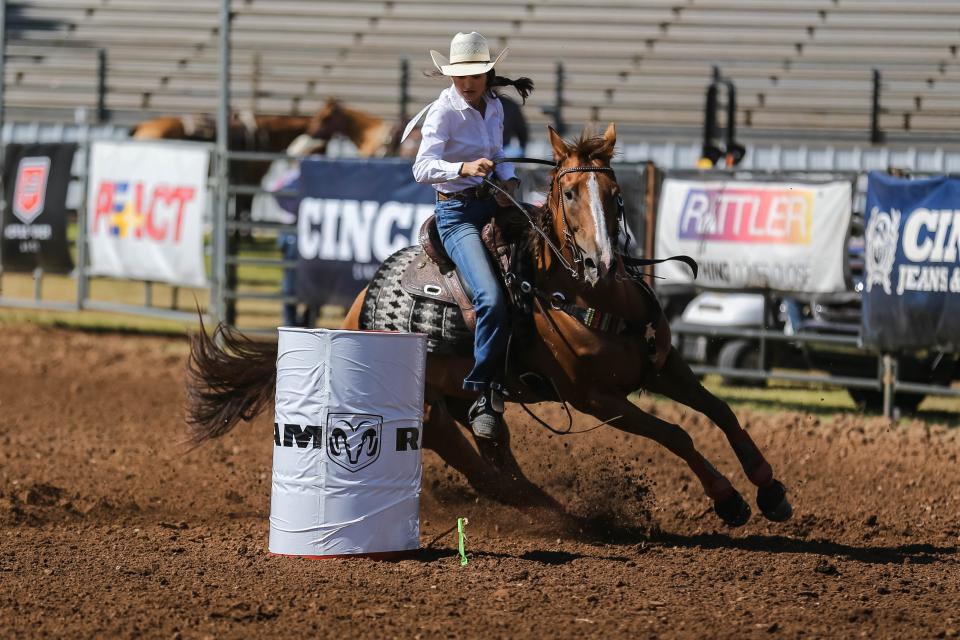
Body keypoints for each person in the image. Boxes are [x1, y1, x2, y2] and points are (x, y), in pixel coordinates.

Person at [412, 31, 533, 440]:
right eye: (460, 76)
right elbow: (422, 168)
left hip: (494, 202)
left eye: (475, 76)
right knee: (492, 298)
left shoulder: (494, 107)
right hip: (457, 214)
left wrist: (509, 181)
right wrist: (461, 170)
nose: (466, 83)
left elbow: (498, 157)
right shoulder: (443, 112)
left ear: (487, 74)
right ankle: (485, 391)